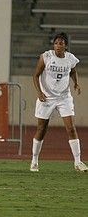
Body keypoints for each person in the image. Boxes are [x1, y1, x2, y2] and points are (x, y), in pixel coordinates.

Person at [31, 32, 87, 172]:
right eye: (56, 43)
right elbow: (36, 75)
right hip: (47, 98)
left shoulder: (70, 58)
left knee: (71, 128)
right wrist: (39, 92)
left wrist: (76, 83)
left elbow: (73, 71)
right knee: (41, 129)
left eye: (61, 43)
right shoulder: (46, 57)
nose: (57, 46)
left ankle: (78, 162)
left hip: (64, 97)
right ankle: (34, 161)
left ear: (66, 46)